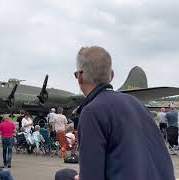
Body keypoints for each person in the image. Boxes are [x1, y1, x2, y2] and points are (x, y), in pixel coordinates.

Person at [74, 46, 174, 180]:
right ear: (112, 75)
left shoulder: (91, 111)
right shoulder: (139, 105)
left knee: (63, 175)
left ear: (80, 77)